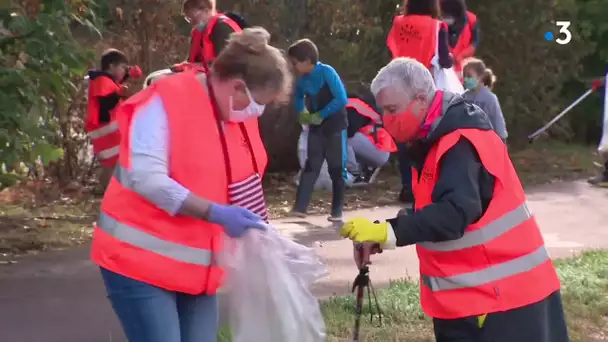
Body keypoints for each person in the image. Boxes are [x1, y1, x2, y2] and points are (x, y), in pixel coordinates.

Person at [340, 57, 569, 342]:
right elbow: (435, 210)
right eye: (382, 111)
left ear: (421, 100)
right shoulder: (433, 141)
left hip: (503, 305)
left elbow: (455, 213)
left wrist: (390, 232)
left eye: (392, 110)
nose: (386, 121)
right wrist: (384, 233)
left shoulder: (461, 141)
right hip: (475, 303)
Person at [90, 27, 292, 342]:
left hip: (195, 271)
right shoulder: (168, 99)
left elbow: (240, 182)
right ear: (238, 87)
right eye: (259, 103)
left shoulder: (236, 115)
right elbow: (146, 178)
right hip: (138, 262)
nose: (258, 112)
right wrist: (216, 213)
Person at [288, 38, 348, 222]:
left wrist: (322, 114)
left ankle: (337, 211)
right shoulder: (302, 81)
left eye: (295, 63)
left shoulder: (327, 72)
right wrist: (302, 113)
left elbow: (341, 98)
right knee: (311, 166)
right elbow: (298, 98)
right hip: (316, 128)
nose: (294, 66)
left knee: (337, 169)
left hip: (335, 126)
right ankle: (300, 208)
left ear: (307, 61)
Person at [86, 49, 142, 191]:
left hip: (108, 131)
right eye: (123, 67)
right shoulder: (101, 80)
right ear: (111, 67)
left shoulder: (106, 79)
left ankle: (108, 188)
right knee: (111, 163)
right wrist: (118, 94)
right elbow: (106, 103)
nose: (124, 71)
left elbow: (115, 87)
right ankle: (105, 188)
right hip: (104, 131)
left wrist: (129, 74)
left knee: (114, 161)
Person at [172, 0, 247, 71]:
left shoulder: (222, 27)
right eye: (189, 19)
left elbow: (227, 64)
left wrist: (192, 66)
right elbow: (191, 60)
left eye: (194, 18)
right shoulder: (198, 32)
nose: (192, 23)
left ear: (206, 11)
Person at [345, 93, 397, 185]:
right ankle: (365, 170)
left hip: (380, 148)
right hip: (376, 146)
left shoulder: (352, 105)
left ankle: (353, 173)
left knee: (341, 136)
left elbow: (350, 131)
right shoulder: (351, 102)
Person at [387, 0, 453, 70]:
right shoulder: (437, 27)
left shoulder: (398, 22)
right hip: (423, 77)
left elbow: (390, 50)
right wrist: (451, 59)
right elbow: (444, 61)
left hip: (397, 74)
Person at [462, 57, 507, 142]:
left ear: (481, 77)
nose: (465, 79)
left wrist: (501, 143)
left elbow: (498, 124)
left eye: (469, 76)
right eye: (464, 76)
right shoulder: (463, 97)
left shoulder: (490, 99)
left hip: (487, 142)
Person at [440, 0, 479, 80]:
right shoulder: (436, 16)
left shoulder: (471, 19)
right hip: (439, 68)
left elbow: (474, 43)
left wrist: (462, 55)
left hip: (460, 71)